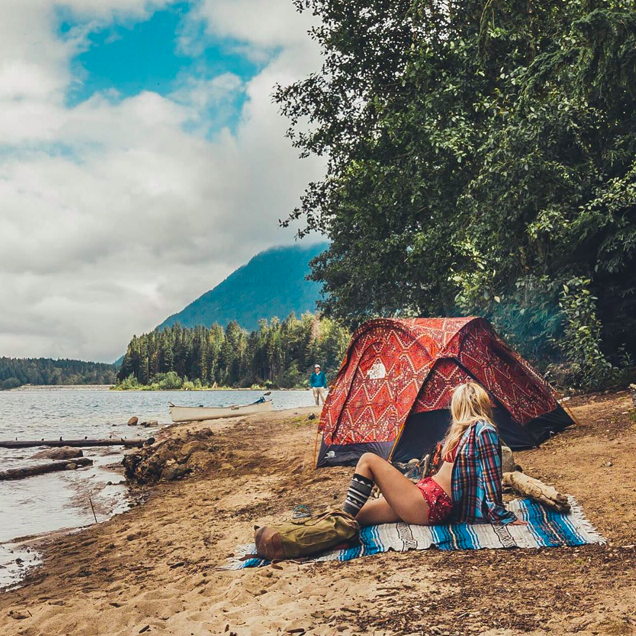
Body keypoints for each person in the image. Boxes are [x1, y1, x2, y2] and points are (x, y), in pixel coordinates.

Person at [341, 382, 525, 527]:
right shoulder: (464, 432)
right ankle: (327, 531)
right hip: (424, 496)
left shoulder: (483, 430)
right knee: (354, 514)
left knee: (368, 460)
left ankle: (339, 529)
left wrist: (502, 516)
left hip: (430, 504)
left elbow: (490, 477)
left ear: (458, 406)